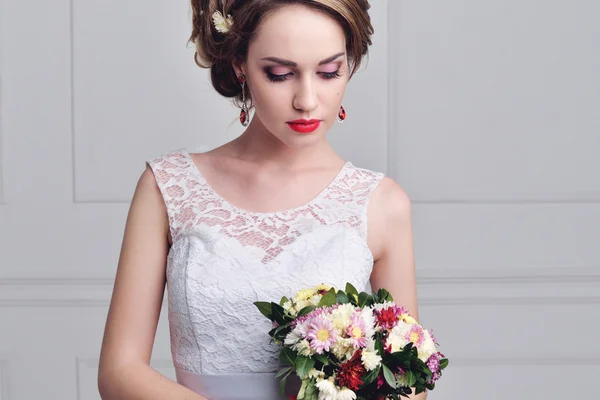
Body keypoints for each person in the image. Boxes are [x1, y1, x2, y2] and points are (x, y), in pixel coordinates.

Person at [98, 1, 424, 399]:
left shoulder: (381, 202)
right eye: (280, 74)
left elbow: (408, 383)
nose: (306, 99)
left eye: (328, 72)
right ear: (240, 64)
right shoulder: (167, 187)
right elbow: (119, 371)